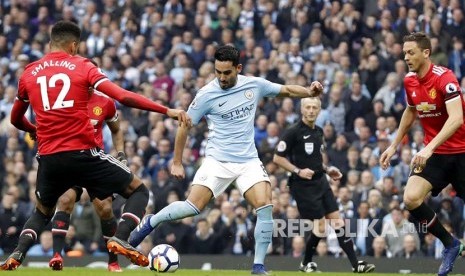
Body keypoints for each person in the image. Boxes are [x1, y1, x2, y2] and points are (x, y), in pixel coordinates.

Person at [1, 20, 190, 270]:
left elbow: (15, 119)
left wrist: (34, 130)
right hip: (83, 155)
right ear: (74, 45)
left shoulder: (29, 72)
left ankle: (17, 254)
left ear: (50, 43)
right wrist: (166, 110)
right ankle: (120, 238)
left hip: (48, 158)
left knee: (42, 211)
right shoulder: (82, 66)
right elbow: (122, 96)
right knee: (139, 190)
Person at [128, 45, 323, 275]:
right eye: (217, 72)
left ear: (238, 68)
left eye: (226, 73)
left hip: (248, 161)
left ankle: (258, 266)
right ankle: (152, 221)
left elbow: (288, 90)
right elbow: (184, 125)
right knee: (192, 208)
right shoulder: (206, 94)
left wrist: (309, 93)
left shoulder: (254, 85)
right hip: (217, 161)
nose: (221, 77)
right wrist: (177, 161)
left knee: (265, 205)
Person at [380, 32, 465, 276]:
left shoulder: (445, 78)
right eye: (404, 52)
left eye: (411, 52)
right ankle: (450, 244)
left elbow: (457, 118)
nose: (406, 57)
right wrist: (394, 145)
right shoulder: (409, 80)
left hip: (461, 153)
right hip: (436, 154)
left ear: (426, 53)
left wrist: (427, 148)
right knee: (411, 199)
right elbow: (410, 111)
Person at [272, 97, 375, 273]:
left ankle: (356, 264)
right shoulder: (293, 132)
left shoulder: (319, 131)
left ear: (319, 110)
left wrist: (328, 170)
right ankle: (305, 263)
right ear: (302, 110)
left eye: (314, 107)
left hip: (321, 182)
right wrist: (298, 171)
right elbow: (277, 158)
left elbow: (315, 159)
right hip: (303, 186)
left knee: (338, 222)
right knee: (320, 228)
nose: (311, 110)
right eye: (308, 107)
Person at [49, 85, 126, 272]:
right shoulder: (65, 100)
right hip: (72, 158)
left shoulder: (106, 102)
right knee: (65, 200)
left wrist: (121, 153)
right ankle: (57, 255)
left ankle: (113, 261)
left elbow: (116, 130)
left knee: (105, 209)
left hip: (95, 161)